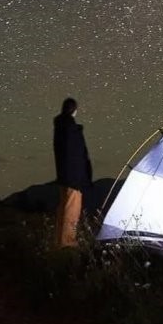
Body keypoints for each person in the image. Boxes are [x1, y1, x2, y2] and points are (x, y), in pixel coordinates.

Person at [53, 96, 92, 248]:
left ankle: (60, 240)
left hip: (65, 175)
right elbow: (76, 155)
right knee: (71, 210)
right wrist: (81, 177)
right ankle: (67, 242)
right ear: (74, 110)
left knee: (64, 208)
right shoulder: (70, 129)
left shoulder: (61, 127)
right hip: (73, 178)